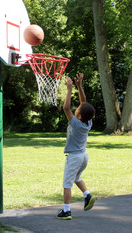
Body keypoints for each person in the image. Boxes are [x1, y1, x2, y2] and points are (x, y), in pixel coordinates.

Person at [57, 73, 96, 220]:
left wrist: (69, 89)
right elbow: (84, 102)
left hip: (74, 157)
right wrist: (79, 86)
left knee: (67, 183)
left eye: (78, 109)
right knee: (76, 177)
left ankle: (66, 211)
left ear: (79, 116)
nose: (78, 107)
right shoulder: (88, 122)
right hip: (83, 156)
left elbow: (66, 108)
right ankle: (87, 195)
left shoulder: (76, 123)